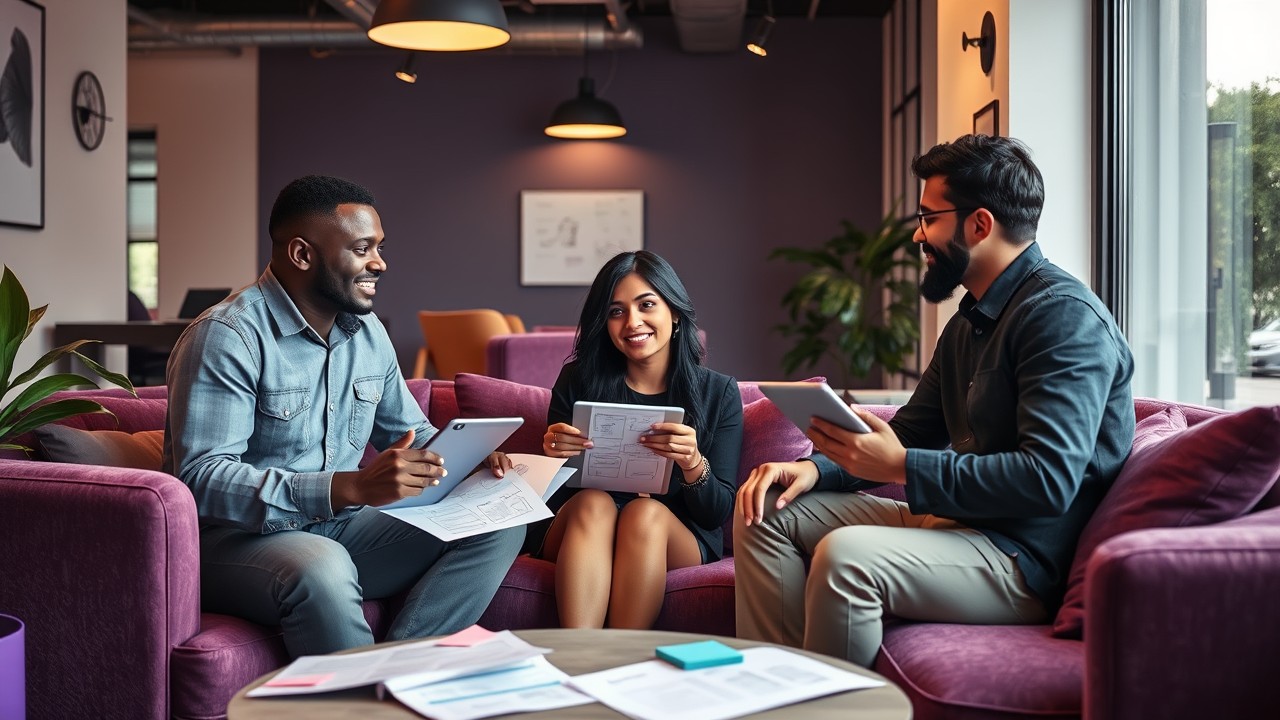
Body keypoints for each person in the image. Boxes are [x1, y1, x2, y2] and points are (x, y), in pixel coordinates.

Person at [734, 135, 1136, 667]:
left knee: (847, 557)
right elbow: (912, 431)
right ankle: (775, 693)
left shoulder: (1061, 318)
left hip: (1020, 557)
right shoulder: (971, 320)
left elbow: (1049, 479)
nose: (919, 235)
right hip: (959, 523)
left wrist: (901, 466)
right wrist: (816, 471)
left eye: (929, 218)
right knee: (765, 511)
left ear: (980, 225)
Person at [162, 175, 523, 657]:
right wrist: (348, 487)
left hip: (337, 528)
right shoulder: (228, 336)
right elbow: (201, 480)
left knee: (496, 519)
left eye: (379, 246)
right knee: (322, 562)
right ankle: (364, 704)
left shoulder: (368, 333)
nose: (380, 262)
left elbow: (412, 434)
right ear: (302, 254)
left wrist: (466, 459)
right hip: (232, 542)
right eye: (362, 248)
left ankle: (399, 674)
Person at [536, 250, 743, 629]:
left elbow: (716, 513)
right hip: (583, 522)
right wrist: (552, 456)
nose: (633, 322)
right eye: (616, 311)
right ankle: (580, 654)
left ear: (675, 312)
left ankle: (620, 659)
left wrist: (693, 463)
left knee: (643, 514)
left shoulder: (719, 393)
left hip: (672, 533)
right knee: (594, 504)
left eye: (646, 305)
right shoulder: (578, 381)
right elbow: (546, 498)